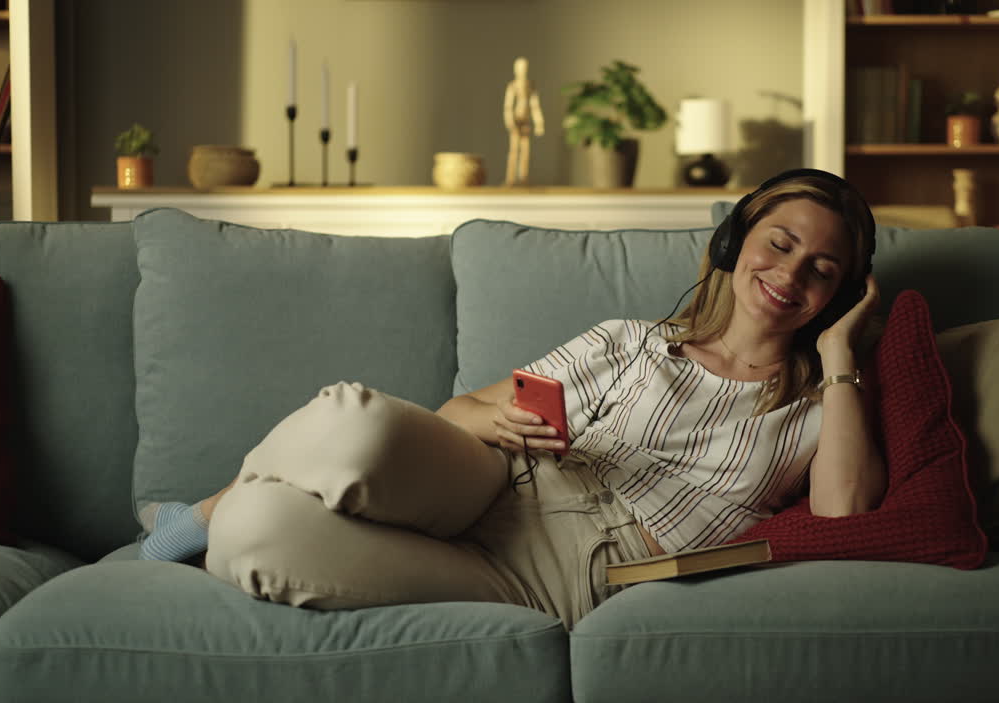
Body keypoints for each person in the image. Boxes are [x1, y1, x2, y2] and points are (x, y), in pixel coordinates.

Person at [136, 168, 885, 629]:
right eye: (781, 243)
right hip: (498, 481)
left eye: (824, 270)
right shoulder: (629, 340)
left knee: (255, 532)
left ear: (839, 294)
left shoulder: (821, 406)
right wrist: (495, 419)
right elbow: (456, 416)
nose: (793, 275)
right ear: (735, 241)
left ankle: (214, 519)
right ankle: (194, 515)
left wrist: (840, 350)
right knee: (347, 418)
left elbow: (844, 514)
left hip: (562, 575)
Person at [503, 56, 544, 186]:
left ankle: (523, 178)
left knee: (525, 150)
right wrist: (510, 121)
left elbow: (535, 106)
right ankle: (510, 178)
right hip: (516, 121)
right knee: (514, 150)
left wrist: (539, 123)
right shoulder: (513, 86)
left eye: (524, 68)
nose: (523, 70)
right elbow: (508, 106)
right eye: (520, 68)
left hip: (526, 121)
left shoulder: (529, 86)